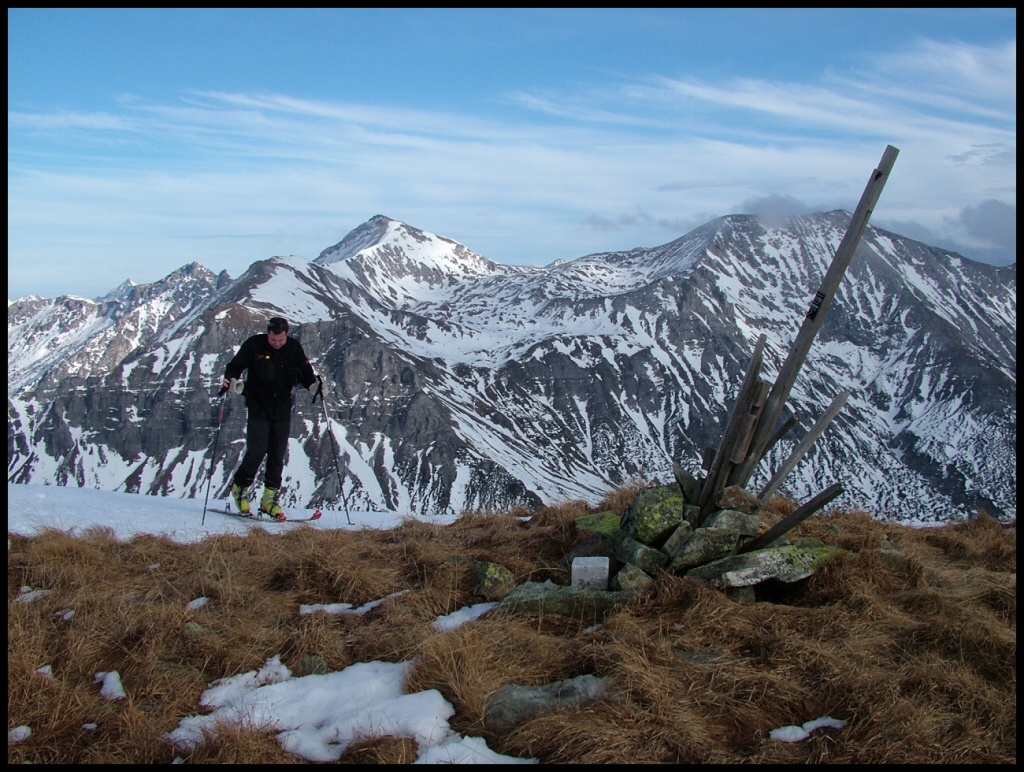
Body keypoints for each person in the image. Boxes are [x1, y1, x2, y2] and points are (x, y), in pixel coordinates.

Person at [220, 316, 322, 519]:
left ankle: (270, 500)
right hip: (258, 403)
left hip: (283, 405)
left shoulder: (293, 347)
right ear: (268, 333)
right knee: (257, 450)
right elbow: (236, 365)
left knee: (277, 453)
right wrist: (231, 379)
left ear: (286, 335)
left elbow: (306, 372)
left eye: (281, 340)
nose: (277, 344)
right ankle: (240, 488)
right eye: (274, 340)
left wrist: (315, 386)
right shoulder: (253, 345)